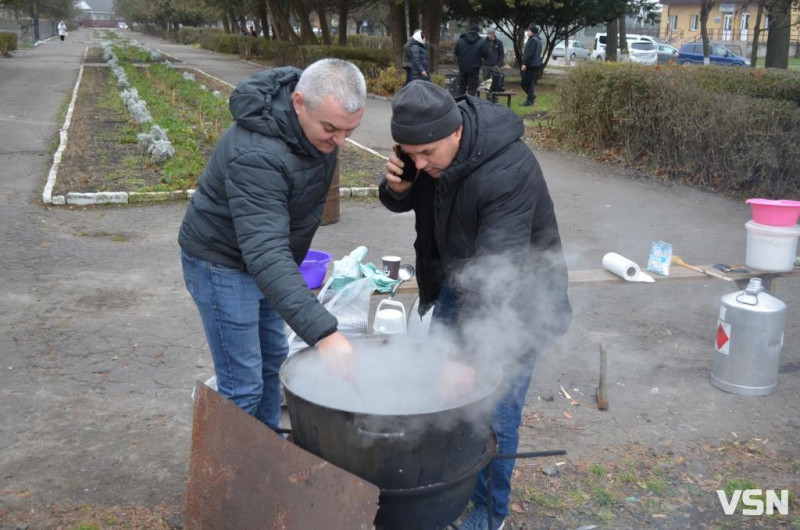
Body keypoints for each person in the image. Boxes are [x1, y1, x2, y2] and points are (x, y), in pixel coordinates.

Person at [378, 81, 572, 530]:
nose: (420, 163)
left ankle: (489, 514)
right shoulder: (425, 153)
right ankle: (452, 485)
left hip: (521, 303)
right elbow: (397, 199)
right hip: (460, 283)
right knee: (442, 395)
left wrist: (468, 357)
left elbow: (498, 271)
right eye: (410, 154)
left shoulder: (508, 168)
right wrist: (399, 187)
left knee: (495, 415)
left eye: (426, 154)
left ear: (457, 133)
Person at [178, 59, 365, 429]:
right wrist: (324, 335)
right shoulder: (257, 154)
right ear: (298, 103)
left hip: (265, 259)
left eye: (350, 130)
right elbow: (265, 250)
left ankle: (266, 457)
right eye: (331, 128)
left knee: (272, 363)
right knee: (242, 385)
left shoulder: (317, 132)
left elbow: (272, 246)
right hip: (222, 262)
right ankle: (231, 478)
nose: (340, 141)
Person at [454, 25, 487, 96]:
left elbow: (456, 52)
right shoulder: (481, 41)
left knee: (461, 88)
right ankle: (470, 104)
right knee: (472, 89)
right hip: (474, 68)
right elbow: (485, 54)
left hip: (462, 67)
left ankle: (459, 104)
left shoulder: (461, 40)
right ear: (478, 31)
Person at [520, 25, 543, 106]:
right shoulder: (537, 40)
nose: (527, 32)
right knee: (529, 83)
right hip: (535, 64)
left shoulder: (533, 40)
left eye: (529, 31)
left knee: (524, 83)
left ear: (532, 32)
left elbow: (530, 54)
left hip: (531, 65)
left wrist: (525, 64)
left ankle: (531, 97)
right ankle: (530, 100)